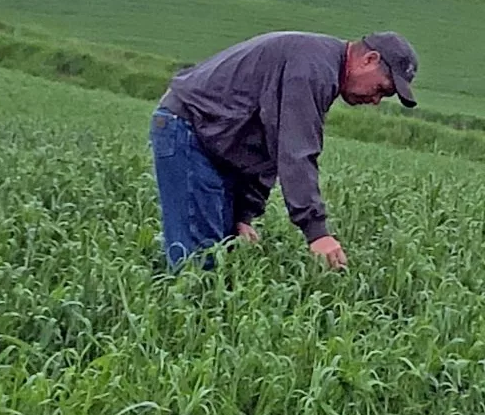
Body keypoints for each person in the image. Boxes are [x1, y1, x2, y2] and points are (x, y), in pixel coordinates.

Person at [148, 30, 419, 272]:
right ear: (369, 59)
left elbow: (267, 144)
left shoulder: (320, 66)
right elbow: (296, 151)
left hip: (210, 139)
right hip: (188, 131)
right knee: (198, 264)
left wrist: (243, 212)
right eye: (381, 89)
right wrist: (317, 233)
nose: (375, 101)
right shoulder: (312, 68)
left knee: (219, 254)